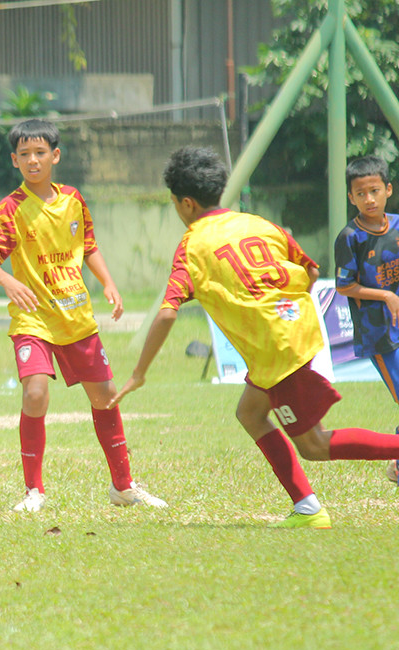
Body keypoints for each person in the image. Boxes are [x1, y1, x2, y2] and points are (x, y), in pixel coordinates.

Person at [110, 145, 399, 528]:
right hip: (295, 332)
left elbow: (166, 313)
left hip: (276, 350)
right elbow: (310, 270)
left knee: (314, 445)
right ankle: (306, 507)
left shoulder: (192, 247)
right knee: (249, 413)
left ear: (185, 203)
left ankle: (312, 510)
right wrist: (279, 308)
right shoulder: (257, 224)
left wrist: (139, 373)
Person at [0, 118, 167, 512]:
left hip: (76, 317)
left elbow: (89, 246)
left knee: (106, 398)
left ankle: (123, 487)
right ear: (14, 160)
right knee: (35, 393)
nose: (33, 160)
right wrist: (5, 282)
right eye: (24, 154)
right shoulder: (10, 209)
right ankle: (33, 491)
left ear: (55, 155)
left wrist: (109, 283)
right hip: (33, 320)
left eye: (40, 152)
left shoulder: (73, 200)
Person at [333, 155, 399, 484]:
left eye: (374, 191)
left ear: (388, 189)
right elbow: (343, 285)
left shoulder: (397, 226)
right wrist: (385, 296)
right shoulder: (350, 237)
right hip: (379, 335)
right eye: (361, 194)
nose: (369, 199)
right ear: (351, 198)